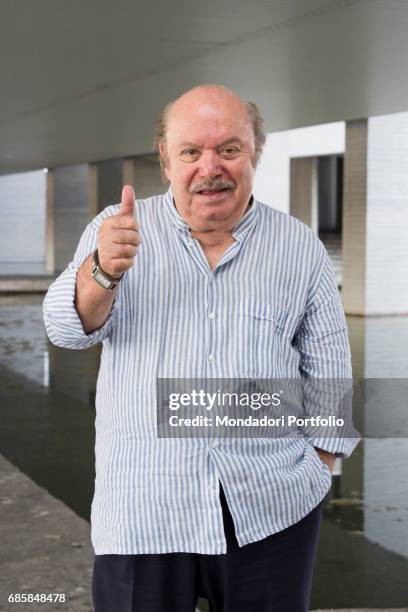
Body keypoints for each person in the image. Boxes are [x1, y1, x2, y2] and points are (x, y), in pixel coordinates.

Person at [43, 84, 359, 612]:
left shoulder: (298, 247)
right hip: (144, 510)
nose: (210, 167)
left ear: (255, 153)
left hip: (270, 510)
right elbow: (66, 329)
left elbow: (330, 376)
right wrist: (102, 271)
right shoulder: (115, 230)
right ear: (166, 160)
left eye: (229, 149)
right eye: (191, 151)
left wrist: (314, 467)